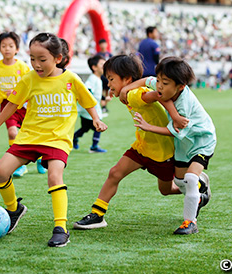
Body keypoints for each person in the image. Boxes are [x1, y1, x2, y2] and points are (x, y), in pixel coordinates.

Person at [0, 33, 107, 247]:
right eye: (32, 59)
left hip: (57, 138)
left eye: (42, 59)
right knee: (0, 172)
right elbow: (12, 104)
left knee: (54, 176)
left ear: (58, 58)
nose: (36, 64)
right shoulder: (29, 78)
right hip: (30, 136)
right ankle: (14, 209)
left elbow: (88, 101)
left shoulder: (70, 79)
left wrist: (96, 119)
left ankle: (60, 228)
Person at [73, 54, 183, 232]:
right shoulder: (129, 93)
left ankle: (198, 190)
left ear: (127, 79)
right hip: (142, 147)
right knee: (115, 173)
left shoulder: (135, 95)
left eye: (111, 79)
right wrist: (118, 89)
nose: (108, 84)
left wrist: (176, 117)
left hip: (161, 153)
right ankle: (97, 214)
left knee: (167, 189)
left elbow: (160, 95)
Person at [125, 56, 215, 235]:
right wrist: (126, 89)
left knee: (189, 179)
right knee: (180, 182)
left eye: (164, 83)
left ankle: (190, 222)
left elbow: (174, 131)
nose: (159, 86)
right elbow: (147, 80)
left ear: (180, 86)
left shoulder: (184, 106)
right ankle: (201, 191)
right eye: (159, 80)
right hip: (183, 144)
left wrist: (148, 127)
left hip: (201, 141)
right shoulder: (162, 84)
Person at [0, 32, 39, 177]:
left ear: (17, 49)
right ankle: (19, 165)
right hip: (7, 105)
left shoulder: (23, 66)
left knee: (32, 134)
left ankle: (39, 158)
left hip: (24, 104)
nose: (7, 49)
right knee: (12, 132)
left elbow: (30, 83)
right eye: (4, 46)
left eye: (11, 46)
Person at [73, 55, 107, 153]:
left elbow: (96, 93)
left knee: (85, 128)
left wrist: (104, 98)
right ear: (94, 67)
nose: (104, 66)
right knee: (98, 127)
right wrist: (90, 99)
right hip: (91, 109)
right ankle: (94, 147)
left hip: (86, 110)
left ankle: (75, 137)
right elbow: (87, 90)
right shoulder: (93, 78)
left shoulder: (98, 78)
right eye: (102, 64)